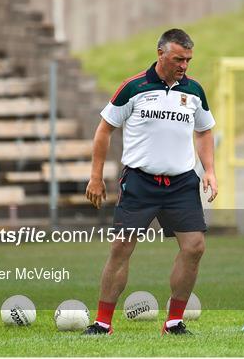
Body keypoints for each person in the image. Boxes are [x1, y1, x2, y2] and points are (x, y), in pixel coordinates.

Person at [84, 28, 217, 336]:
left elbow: (205, 131)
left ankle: (173, 323)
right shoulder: (133, 87)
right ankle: (103, 323)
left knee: (195, 247)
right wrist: (95, 177)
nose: (184, 66)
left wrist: (209, 170)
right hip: (140, 182)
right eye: (178, 59)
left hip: (182, 183)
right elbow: (104, 130)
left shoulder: (194, 91)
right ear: (160, 54)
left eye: (188, 60)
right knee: (121, 247)